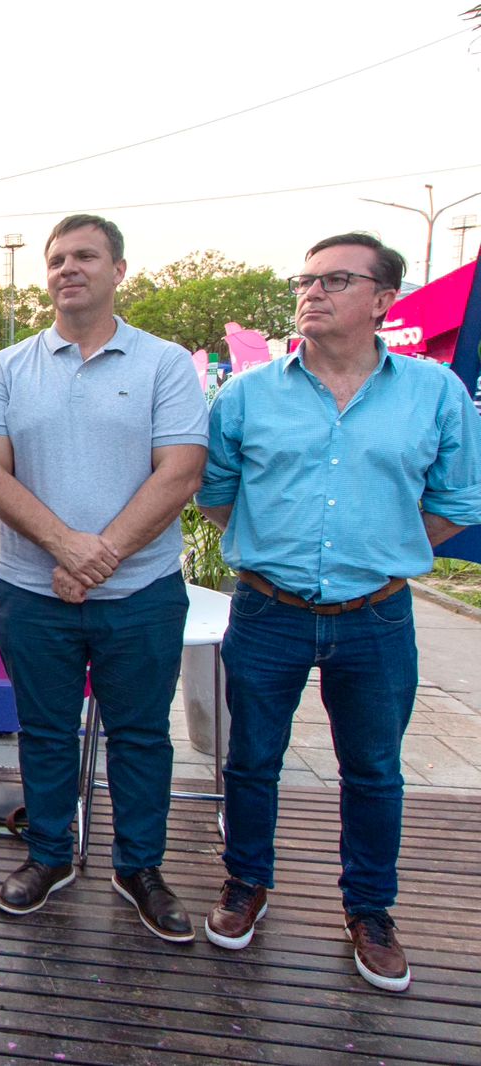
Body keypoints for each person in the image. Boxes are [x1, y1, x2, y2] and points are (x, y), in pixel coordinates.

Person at [198, 233, 481, 991]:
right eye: (306, 279)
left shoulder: (434, 393)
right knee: (252, 758)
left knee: (375, 770)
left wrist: (385, 549)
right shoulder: (248, 394)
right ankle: (245, 884)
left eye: (336, 280)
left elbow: (458, 500)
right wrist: (271, 548)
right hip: (269, 610)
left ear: (384, 299)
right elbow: (216, 493)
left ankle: (370, 909)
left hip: (378, 617)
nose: (312, 292)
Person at [0, 214, 207, 940]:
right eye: (57, 259)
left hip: (141, 595)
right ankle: (49, 854)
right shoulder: (7, 367)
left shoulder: (164, 363)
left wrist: (99, 555)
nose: (68, 269)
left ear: (119, 271)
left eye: (85, 257)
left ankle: (139, 866)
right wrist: (67, 548)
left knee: (140, 736)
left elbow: (182, 471)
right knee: (44, 732)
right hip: (35, 594)